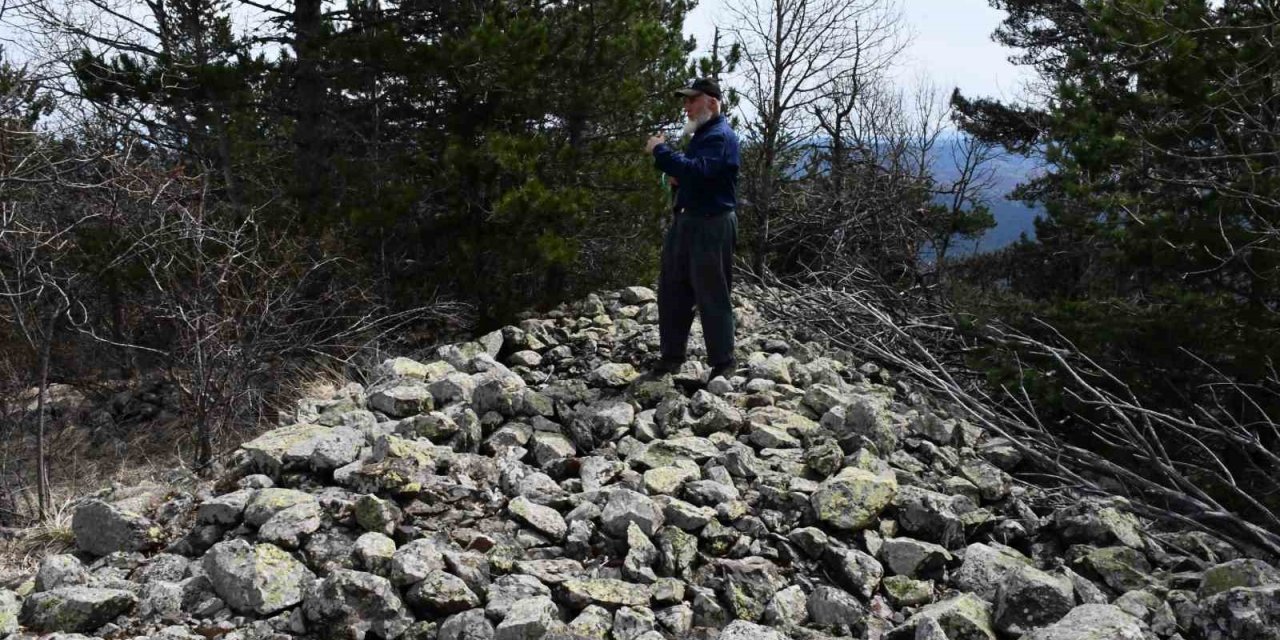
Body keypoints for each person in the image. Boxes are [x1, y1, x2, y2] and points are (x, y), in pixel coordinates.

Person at [644, 78, 741, 382]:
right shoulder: (705, 134)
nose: (686, 107)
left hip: (710, 224)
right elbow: (700, 173)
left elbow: (697, 170)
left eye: (692, 100)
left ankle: (723, 363)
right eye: (685, 101)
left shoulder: (719, 136)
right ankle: (671, 356)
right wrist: (680, 177)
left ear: (711, 102)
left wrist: (661, 152)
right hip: (689, 221)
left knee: (712, 292)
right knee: (673, 290)